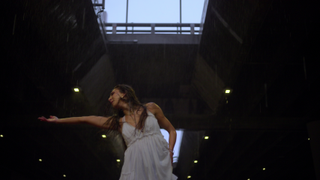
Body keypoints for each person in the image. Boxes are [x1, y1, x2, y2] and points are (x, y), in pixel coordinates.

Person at [38, 84, 178, 180]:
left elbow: (172, 130)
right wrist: (58, 120)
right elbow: (85, 119)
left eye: (113, 93)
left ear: (124, 93)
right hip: (135, 166)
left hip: (158, 161)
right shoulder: (118, 123)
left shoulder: (151, 108)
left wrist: (170, 151)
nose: (109, 98)